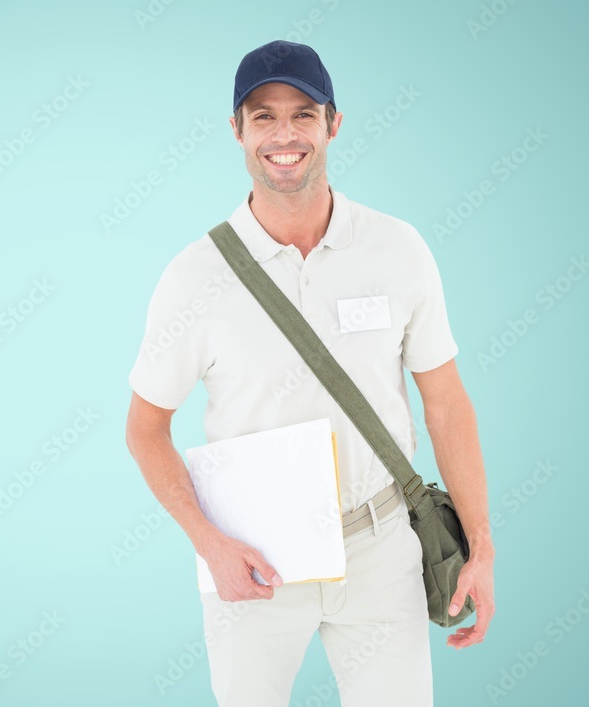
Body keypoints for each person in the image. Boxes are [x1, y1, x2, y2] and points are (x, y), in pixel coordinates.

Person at [124, 40, 495, 706]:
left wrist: (482, 546)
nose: (284, 133)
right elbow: (145, 428)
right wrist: (209, 542)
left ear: (334, 123)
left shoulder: (398, 249)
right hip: (255, 562)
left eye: (303, 112)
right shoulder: (192, 278)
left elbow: (445, 403)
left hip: (383, 548)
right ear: (236, 131)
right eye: (263, 116)